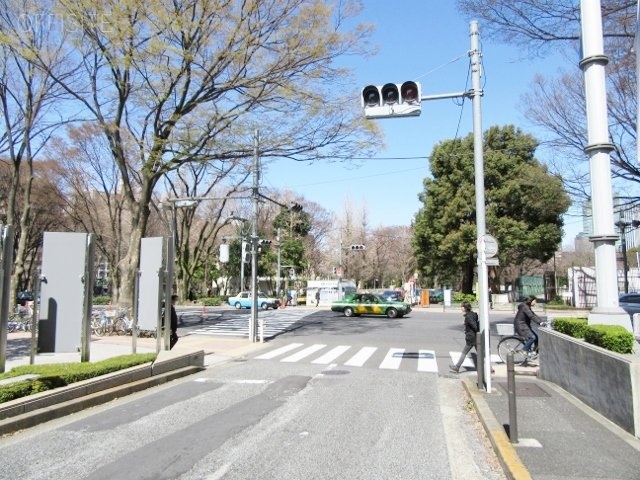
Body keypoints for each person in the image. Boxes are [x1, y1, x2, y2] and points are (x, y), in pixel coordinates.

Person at [449, 302, 480, 373]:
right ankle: (490, 368)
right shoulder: (473, 314)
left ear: (465, 308)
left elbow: (474, 326)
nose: (461, 308)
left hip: (471, 338)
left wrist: (469, 330)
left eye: (462, 307)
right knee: (481, 353)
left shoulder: (468, 316)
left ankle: (457, 367)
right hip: (475, 337)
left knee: (464, 352)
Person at [514, 295, 543, 360]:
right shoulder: (524, 307)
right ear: (530, 300)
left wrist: (542, 322)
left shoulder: (527, 307)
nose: (535, 303)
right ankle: (524, 350)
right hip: (521, 325)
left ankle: (534, 352)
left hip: (525, 325)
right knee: (532, 337)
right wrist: (540, 323)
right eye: (535, 301)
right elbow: (531, 316)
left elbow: (534, 315)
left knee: (537, 337)